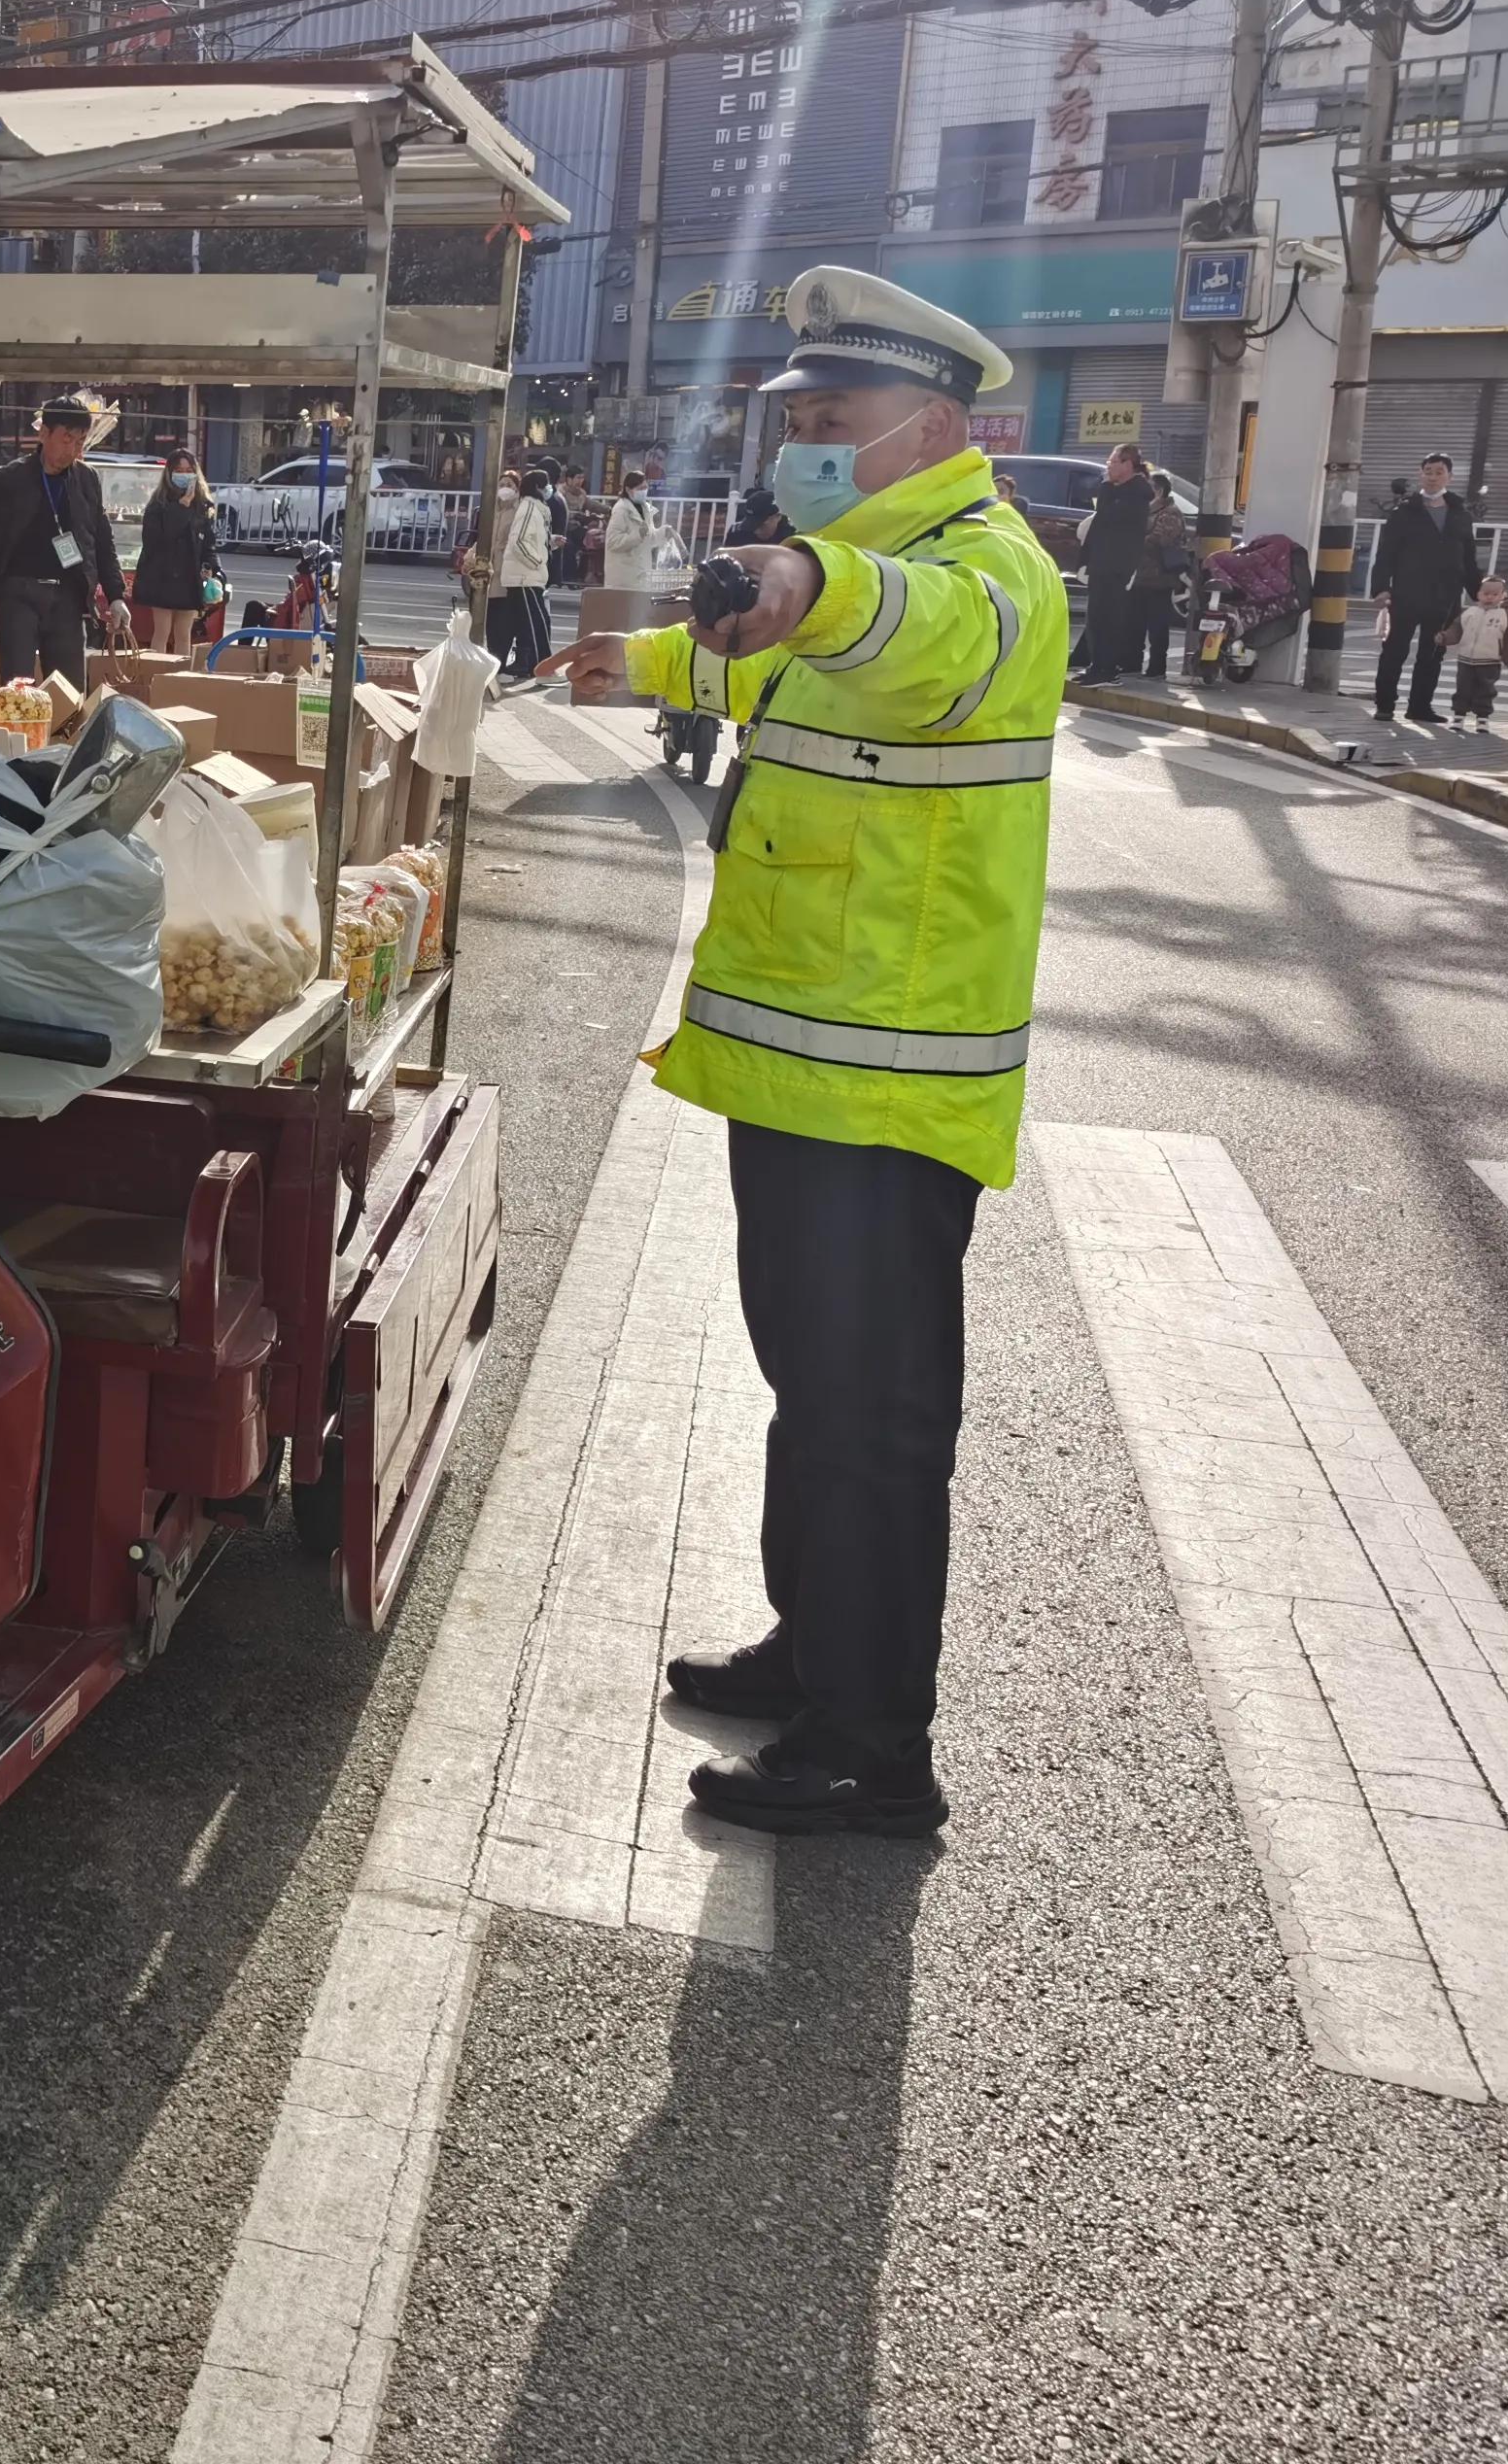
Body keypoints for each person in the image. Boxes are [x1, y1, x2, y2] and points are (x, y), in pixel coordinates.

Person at [541, 266, 1065, 1842]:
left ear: (936, 430)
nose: (805, 446)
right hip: (807, 1069)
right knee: (810, 1388)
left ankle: (870, 1743)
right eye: (797, 420)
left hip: (884, 1087)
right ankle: (811, 1646)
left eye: (833, 418)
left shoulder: (981, 574)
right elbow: (773, 660)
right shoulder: (859, 571)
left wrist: (804, 578)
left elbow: (906, 639)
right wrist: (639, 665)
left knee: (871, 1418)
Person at [0, 395, 123, 684]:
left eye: (80, 441)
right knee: (18, 686)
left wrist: (115, 596)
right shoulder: (6, 480)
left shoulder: (87, 479)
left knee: (69, 687)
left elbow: (102, 541)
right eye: (67, 439)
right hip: (18, 594)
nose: (73, 450)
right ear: (44, 433)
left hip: (68, 596)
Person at [1372, 451, 1482, 726]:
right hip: (1407, 592)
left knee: (1432, 653)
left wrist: (1479, 593)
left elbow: (1468, 557)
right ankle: (1385, 705)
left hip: (1445, 594)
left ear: (1449, 477)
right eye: (1428, 472)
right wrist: (1381, 588)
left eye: (1439, 472)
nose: (1433, 477)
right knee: (1395, 650)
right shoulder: (1404, 512)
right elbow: (1386, 553)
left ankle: (1420, 707)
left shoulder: (1460, 514)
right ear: (1421, 475)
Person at [1075, 441, 1153, 686]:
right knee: (1095, 617)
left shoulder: (1136, 493)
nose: (1108, 466)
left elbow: (1109, 518)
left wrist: (1107, 486)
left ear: (1128, 464)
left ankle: (1108, 669)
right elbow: (1099, 524)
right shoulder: (1116, 490)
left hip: (1117, 565)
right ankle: (1095, 665)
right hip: (1101, 563)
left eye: (1113, 461)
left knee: (1109, 617)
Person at [131, 450, 221, 658]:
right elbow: (156, 540)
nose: (184, 475)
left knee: (184, 633)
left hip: (189, 577)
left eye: (189, 471)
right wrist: (181, 508)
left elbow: (208, 544)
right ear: (169, 473)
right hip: (162, 576)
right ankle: (157, 670)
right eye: (179, 470)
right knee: (162, 631)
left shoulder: (202, 504)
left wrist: (213, 570)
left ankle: (181, 673)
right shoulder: (158, 504)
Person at [486, 468, 555, 670]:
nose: (504, 489)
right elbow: (518, 541)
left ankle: (526, 664)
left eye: (509, 485)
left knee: (526, 624)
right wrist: (537, 562)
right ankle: (537, 666)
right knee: (528, 624)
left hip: (516, 574)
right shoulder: (526, 508)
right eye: (502, 485)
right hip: (518, 574)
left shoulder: (527, 508)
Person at [1443, 570, 1508, 733]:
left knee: (1486, 690)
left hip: (1490, 661)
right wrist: (1445, 638)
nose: (1489, 597)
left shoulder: (1506, 616)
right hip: (1465, 659)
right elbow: (1456, 629)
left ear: (1503, 596)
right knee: (1462, 688)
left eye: (1495, 594)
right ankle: (1459, 716)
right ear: (1478, 594)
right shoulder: (1470, 613)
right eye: (1486, 594)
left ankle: (1483, 718)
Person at [1140, 471, 1194, 678]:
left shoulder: (1170, 513)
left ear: (1159, 491)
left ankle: (1157, 667)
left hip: (1159, 578)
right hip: (1142, 576)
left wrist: (1135, 539)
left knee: (1157, 625)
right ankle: (1133, 664)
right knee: (1137, 623)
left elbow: (1162, 539)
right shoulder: (1147, 510)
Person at [602, 468, 662, 592]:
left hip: (640, 572)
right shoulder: (621, 509)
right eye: (640, 488)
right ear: (628, 489)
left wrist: (663, 533)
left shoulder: (645, 509)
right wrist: (637, 536)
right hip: (624, 575)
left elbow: (648, 537)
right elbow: (613, 542)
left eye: (645, 487)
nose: (644, 491)